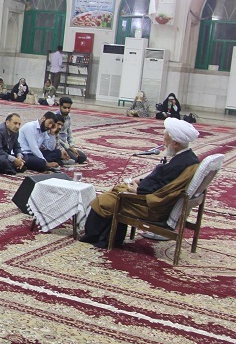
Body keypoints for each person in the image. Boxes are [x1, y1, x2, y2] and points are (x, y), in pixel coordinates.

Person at [81, 118, 201, 249]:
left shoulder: (178, 164)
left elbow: (159, 188)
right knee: (116, 191)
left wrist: (137, 190)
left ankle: (95, 237)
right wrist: (141, 182)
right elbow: (162, 183)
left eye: (166, 140)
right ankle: (110, 237)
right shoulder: (188, 158)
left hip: (151, 207)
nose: (163, 143)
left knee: (105, 200)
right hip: (154, 198)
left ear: (176, 144)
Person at [56, 96, 88, 164]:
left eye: (69, 108)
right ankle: (60, 159)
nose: (67, 110)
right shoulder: (55, 117)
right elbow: (55, 137)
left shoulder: (68, 116)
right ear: (60, 106)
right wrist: (68, 148)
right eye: (64, 108)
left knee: (82, 157)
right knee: (74, 158)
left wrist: (72, 146)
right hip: (57, 145)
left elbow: (69, 133)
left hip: (66, 145)